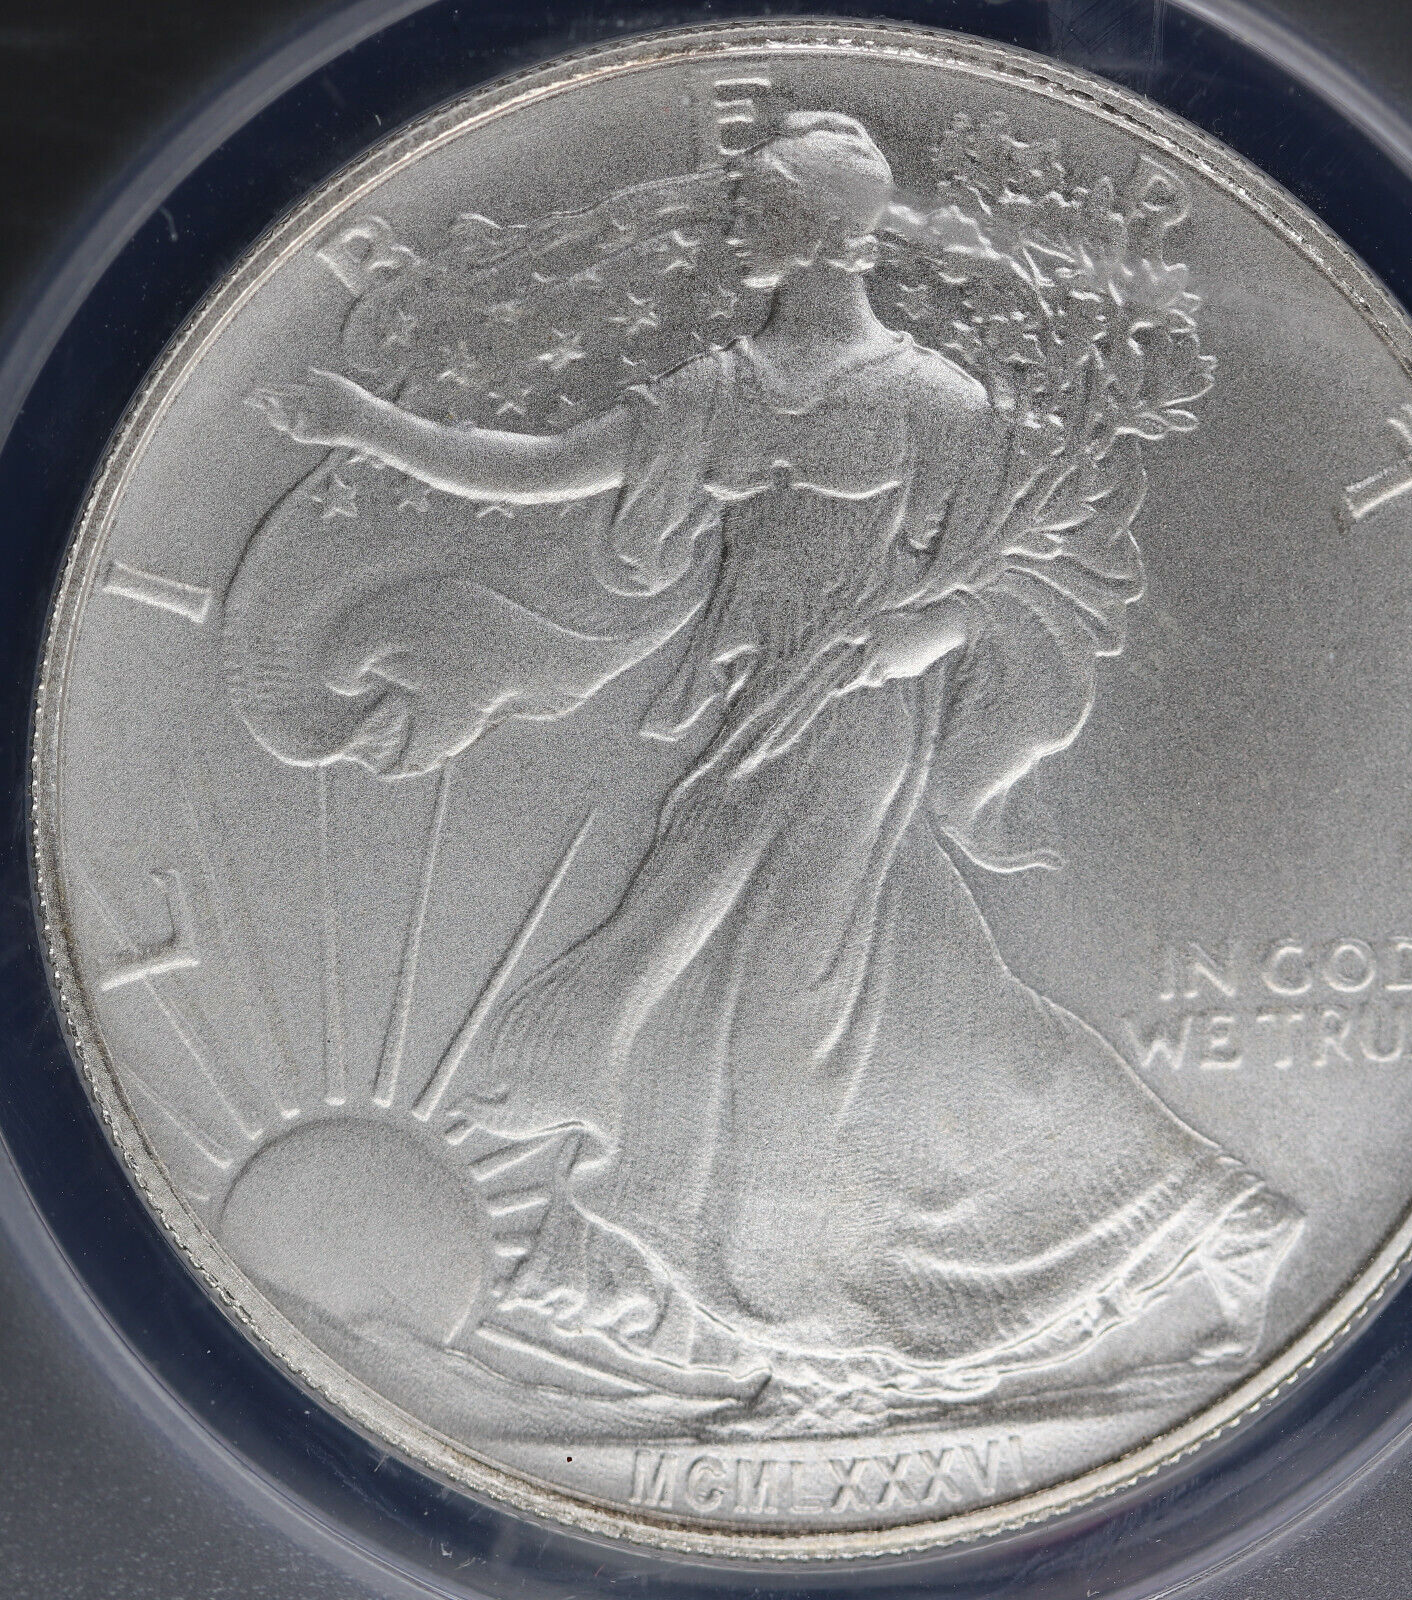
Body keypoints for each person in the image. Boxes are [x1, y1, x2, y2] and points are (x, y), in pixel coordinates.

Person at [253, 111, 1300, 1395]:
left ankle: (808, 1310)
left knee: (774, 1000)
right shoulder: (721, 390)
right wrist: (366, 425)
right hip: (750, 723)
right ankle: (837, 1293)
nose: (739, 222)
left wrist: (923, 633)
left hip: (856, 726)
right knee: (790, 995)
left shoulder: (932, 400)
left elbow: (1033, 575)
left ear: (829, 232)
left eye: (763, 205)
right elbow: (540, 470)